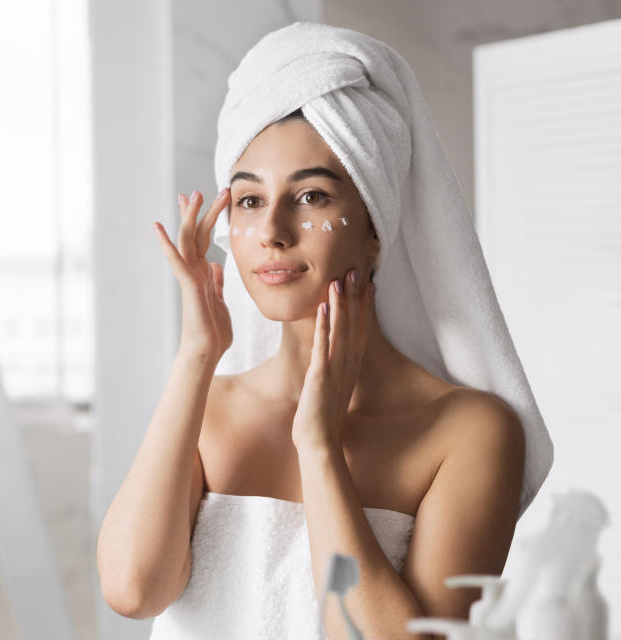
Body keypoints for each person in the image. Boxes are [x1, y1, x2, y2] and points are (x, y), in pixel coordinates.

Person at [97, 22, 545, 640]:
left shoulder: (470, 433)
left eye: (310, 197)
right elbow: (133, 589)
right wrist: (198, 355)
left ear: (375, 227)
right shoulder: (209, 407)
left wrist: (320, 446)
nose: (273, 231)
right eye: (250, 201)